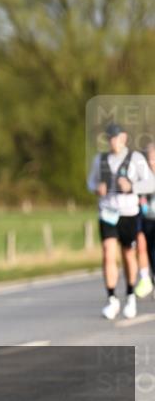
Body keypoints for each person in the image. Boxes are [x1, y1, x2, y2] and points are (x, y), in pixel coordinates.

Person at [86, 123, 155, 319]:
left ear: (124, 138)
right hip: (107, 213)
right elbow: (90, 182)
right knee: (108, 252)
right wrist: (96, 188)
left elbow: (151, 182)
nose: (112, 141)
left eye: (116, 137)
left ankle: (130, 295)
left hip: (128, 213)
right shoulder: (99, 160)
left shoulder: (136, 158)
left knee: (128, 254)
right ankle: (111, 299)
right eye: (109, 138)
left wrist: (132, 186)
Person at [136, 142, 155, 299]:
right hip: (144, 218)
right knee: (142, 247)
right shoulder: (141, 176)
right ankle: (145, 279)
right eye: (149, 159)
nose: (151, 163)